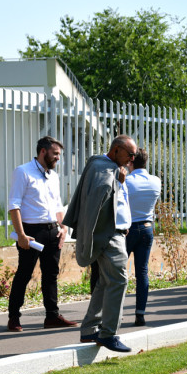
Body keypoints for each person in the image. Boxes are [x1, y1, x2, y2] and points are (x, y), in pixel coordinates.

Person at [64, 134, 139, 353]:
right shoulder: (103, 168)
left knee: (105, 282)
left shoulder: (106, 167)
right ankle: (108, 333)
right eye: (129, 154)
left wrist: (120, 180)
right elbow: (98, 199)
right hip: (109, 234)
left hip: (112, 232)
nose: (131, 159)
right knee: (119, 281)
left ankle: (89, 329)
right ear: (116, 150)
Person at [6, 136, 75, 333]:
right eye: (55, 154)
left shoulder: (53, 175)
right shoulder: (23, 171)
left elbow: (57, 204)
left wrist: (63, 229)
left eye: (59, 155)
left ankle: (52, 316)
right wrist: (21, 234)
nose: (58, 158)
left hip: (52, 230)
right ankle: (13, 318)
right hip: (31, 232)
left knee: (51, 275)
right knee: (24, 274)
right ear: (43, 152)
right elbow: (14, 205)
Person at [123, 148, 161, 327]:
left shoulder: (127, 181)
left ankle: (117, 313)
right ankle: (140, 313)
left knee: (119, 272)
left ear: (130, 161)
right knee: (142, 272)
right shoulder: (156, 181)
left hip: (128, 229)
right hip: (147, 227)